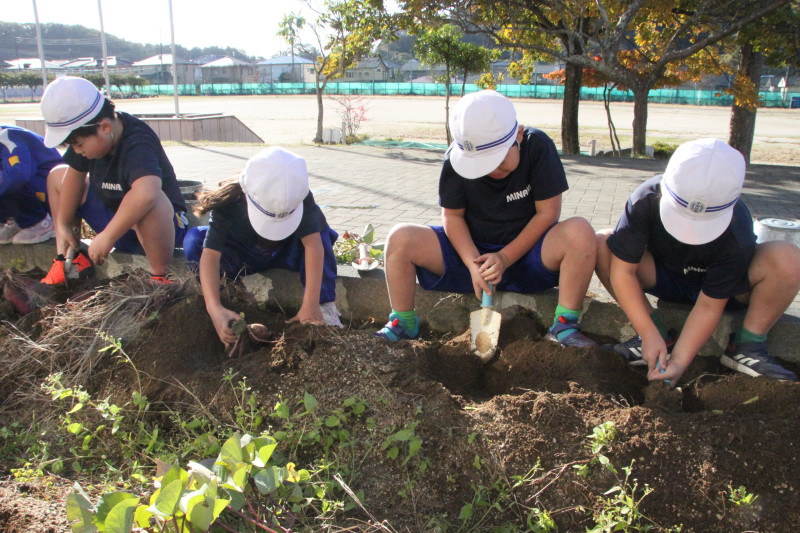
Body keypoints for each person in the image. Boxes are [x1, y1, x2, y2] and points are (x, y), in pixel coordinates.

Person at [375, 90, 597, 347]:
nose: (491, 170)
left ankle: (564, 326)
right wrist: (472, 264)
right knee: (400, 238)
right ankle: (404, 324)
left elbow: (547, 214)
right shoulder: (455, 159)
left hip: (529, 257)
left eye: (497, 160)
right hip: (471, 260)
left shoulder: (538, 147)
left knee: (580, 232)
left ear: (519, 135)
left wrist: (504, 258)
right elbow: (452, 216)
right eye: (479, 164)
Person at [596, 138, 800, 383]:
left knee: (789, 258)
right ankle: (659, 338)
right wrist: (648, 333)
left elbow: (709, 306)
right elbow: (623, 272)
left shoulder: (738, 227)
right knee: (603, 243)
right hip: (665, 277)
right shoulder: (644, 200)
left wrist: (679, 363)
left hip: (725, 293)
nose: (690, 235)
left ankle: (747, 346)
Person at [183, 147, 340, 347]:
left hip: (287, 253)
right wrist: (213, 309)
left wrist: (310, 304)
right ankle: (229, 300)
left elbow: (313, 246)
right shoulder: (229, 200)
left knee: (321, 232)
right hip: (246, 255)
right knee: (194, 239)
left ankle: (323, 306)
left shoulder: (298, 193)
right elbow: (211, 255)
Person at [39, 76, 188, 285]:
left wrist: (107, 236)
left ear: (105, 127)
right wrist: (61, 224)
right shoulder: (89, 144)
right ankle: (69, 258)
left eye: (79, 144)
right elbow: (73, 177)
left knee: (152, 197)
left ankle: (159, 276)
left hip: (159, 231)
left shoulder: (137, 141)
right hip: (117, 221)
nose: (77, 151)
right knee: (57, 175)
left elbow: (146, 193)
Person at [0, 125, 61, 245]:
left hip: (52, 189)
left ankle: (39, 222)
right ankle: (17, 220)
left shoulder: (7, 137)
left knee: (10, 180)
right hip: (35, 186)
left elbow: (18, 176)